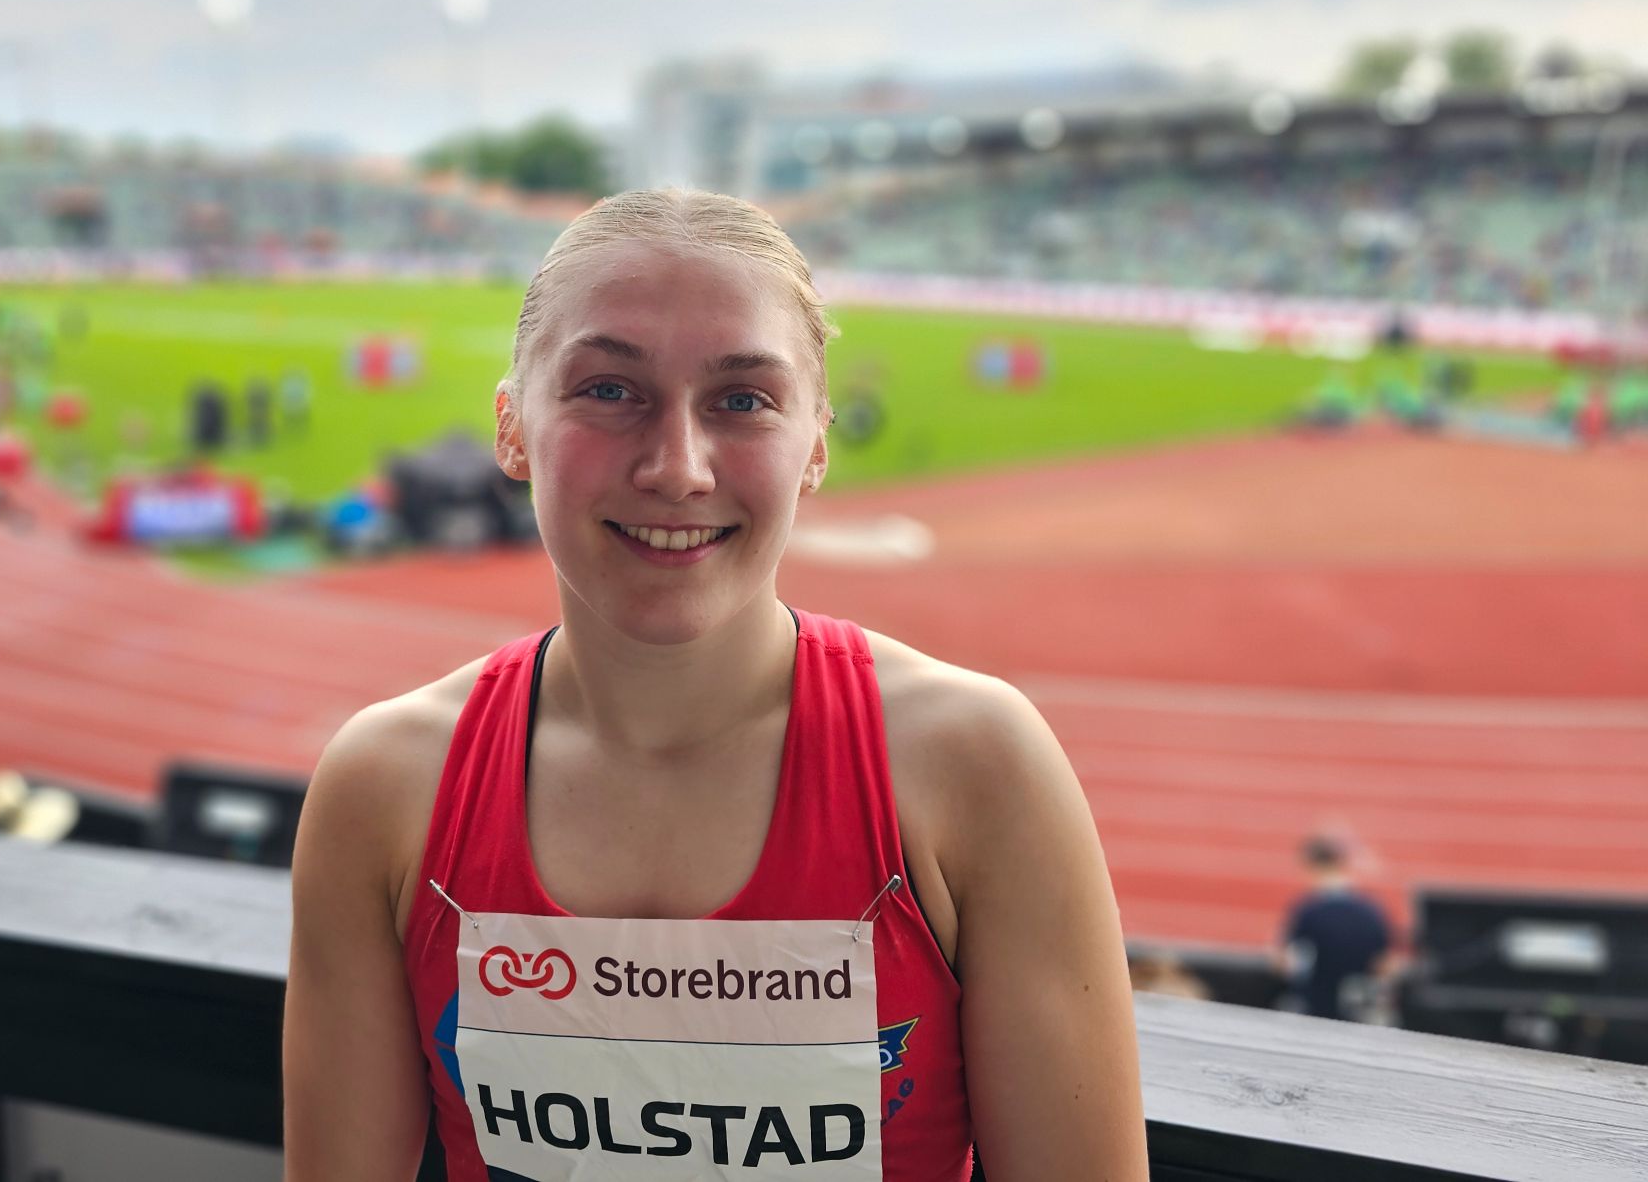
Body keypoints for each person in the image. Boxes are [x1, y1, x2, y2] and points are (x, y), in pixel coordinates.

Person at [283, 190, 1147, 1181]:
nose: (677, 468)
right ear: (511, 428)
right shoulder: (385, 789)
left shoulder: (975, 769)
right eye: (609, 389)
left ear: (814, 443)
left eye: (741, 400)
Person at [1274, 835, 1398, 1022]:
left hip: (1315, 1010)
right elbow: (1386, 966)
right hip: (1358, 1012)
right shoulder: (1372, 910)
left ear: (1312, 865)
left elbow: (1285, 965)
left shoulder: (1308, 911)